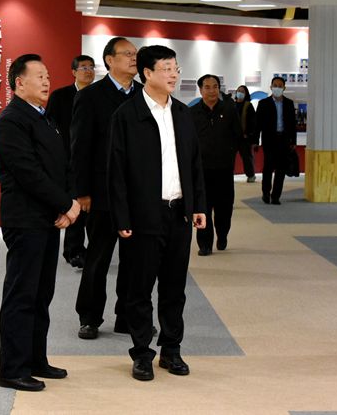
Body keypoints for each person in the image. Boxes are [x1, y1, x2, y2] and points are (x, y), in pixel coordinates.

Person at [108, 44, 206, 381]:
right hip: (142, 216)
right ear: (147, 73)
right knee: (139, 288)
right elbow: (116, 172)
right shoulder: (127, 115)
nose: (173, 75)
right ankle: (141, 353)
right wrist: (121, 217)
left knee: (174, 287)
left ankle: (171, 350)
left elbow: (195, 164)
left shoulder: (183, 113)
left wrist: (198, 205)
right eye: (166, 69)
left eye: (176, 68)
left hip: (179, 213)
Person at [0, 54, 81, 392]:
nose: (47, 81)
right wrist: (66, 204)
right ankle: (12, 368)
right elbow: (28, 173)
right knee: (22, 294)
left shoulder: (44, 117)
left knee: (42, 293)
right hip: (25, 219)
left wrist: (67, 203)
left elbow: (62, 165)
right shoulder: (12, 120)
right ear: (19, 83)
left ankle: (35, 359)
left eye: (47, 75)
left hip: (47, 219)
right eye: (39, 76)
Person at [71, 37, 142, 340]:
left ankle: (126, 317)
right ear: (110, 60)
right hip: (101, 193)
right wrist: (82, 191)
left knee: (134, 260)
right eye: (127, 54)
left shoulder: (144, 94)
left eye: (135, 54)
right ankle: (89, 317)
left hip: (137, 193)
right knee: (98, 257)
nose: (134, 58)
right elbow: (80, 147)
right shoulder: (91, 96)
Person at [46, 54, 96, 268]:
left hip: (94, 161)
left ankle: (93, 250)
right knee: (74, 204)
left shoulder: (99, 95)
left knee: (94, 209)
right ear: (74, 72)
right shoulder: (60, 96)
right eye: (84, 67)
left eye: (91, 67)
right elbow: (50, 127)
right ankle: (73, 251)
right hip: (68, 160)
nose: (88, 71)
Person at [191, 75, 241, 256]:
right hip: (201, 171)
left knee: (224, 209)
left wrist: (229, 154)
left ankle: (222, 234)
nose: (211, 91)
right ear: (200, 90)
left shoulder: (229, 110)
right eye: (207, 87)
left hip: (223, 170)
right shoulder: (192, 113)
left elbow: (237, 136)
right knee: (201, 208)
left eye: (215, 87)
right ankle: (204, 244)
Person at [255, 76, 297, 205]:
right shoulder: (263, 103)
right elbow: (257, 123)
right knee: (268, 167)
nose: (277, 88)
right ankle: (266, 193)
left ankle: (276, 196)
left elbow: (292, 124)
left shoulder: (289, 103)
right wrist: (256, 140)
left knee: (281, 169)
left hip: (284, 139)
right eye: (275, 85)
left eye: (280, 86)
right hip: (269, 139)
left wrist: (293, 141)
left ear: (284, 88)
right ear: (271, 87)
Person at [234, 85, 257, 183]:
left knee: (247, 157)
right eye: (238, 91)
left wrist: (248, 134)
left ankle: (251, 175)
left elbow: (253, 122)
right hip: (233, 137)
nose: (240, 93)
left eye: (242, 91)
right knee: (229, 158)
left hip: (244, 137)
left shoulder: (248, 106)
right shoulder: (232, 105)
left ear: (246, 94)